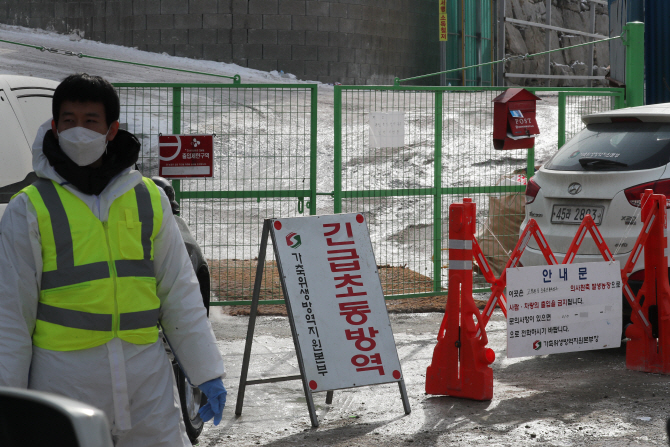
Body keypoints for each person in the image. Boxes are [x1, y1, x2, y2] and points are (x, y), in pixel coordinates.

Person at [0, 73, 226, 446]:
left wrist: (206, 371)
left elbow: (178, 291)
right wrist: (9, 403)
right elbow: (10, 316)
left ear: (111, 129)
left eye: (90, 121)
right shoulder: (30, 207)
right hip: (63, 379)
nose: (79, 131)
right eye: (68, 121)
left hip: (145, 378)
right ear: (54, 127)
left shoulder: (147, 198)